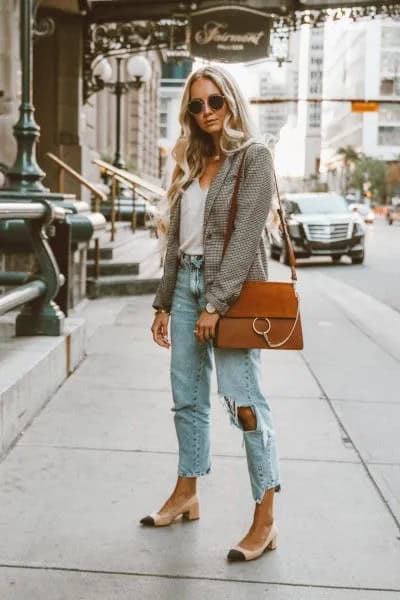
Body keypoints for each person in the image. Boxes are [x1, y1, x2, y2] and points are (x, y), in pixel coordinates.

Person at [140, 64, 282, 563]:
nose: (206, 113)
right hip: (185, 288)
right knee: (186, 398)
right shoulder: (191, 162)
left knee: (244, 404)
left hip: (235, 291)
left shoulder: (255, 158)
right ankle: (186, 493)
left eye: (214, 102)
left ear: (232, 102)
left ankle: (265, 519)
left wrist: (215, 304)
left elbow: (246, 238)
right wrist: (164, 300)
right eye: (196, 106)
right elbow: (177, 243)